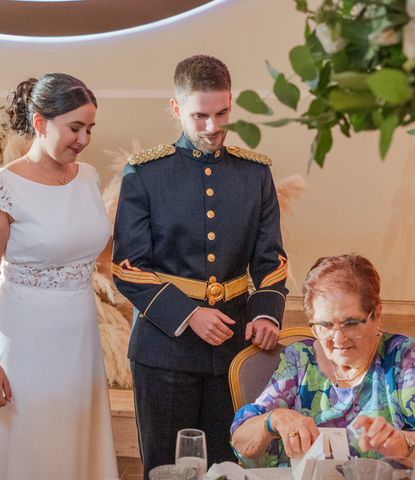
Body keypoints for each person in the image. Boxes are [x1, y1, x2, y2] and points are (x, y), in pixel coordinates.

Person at [0, 73, 119, 479]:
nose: (84, 139)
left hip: (80, 335)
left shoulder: (87, 177)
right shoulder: (0, 189)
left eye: (89, 128)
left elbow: (97, 252)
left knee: (73, 439)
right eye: (74, 128)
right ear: (39, 123)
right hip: (27, 337)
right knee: (29, 444)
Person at [112, 54, 288, 475]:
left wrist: (266, 313)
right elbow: (126, 266)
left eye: (222, 113)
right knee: (168, 467)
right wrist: (188, 313)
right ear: (176, 109)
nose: (213, 127)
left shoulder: (254, 174)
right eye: (200, 116)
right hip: (164, 346)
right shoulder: (145, 174)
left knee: (229, 465)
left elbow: (271, 259)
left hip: (235, 343)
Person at [230, 254, 415, 467]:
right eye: (325, 325)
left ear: (376, 314)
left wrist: (403, 444)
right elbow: (241, 444)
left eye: (350, 323)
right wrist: (273, 419)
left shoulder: (401, 355)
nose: (339, 339)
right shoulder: (300, 358)